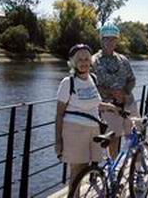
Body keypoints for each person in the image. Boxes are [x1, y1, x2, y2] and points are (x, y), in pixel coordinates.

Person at [55, 44, 120, 194]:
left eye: (86, 59)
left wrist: (111, 107)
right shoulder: (67, 83)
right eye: (79, 59)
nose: (84, 62)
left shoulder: (93, 79)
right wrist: (58, 140)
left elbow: (95, 104)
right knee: (77, 171)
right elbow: (59, 114)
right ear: (72, 62)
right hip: (75, 131)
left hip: (94, 130)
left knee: (88, 168)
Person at [92, 24, 139, 158]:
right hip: (109, 107)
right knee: (113, 138)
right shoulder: (94, 61)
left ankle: (136, 167)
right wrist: (112, 92)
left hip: (128, 103)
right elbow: (93, 86)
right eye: (107, 39)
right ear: (101, 40)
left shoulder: (123, 60)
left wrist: (124, 93)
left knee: (134, 135)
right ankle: (114, 172)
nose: (110, 42)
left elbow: (132, 80)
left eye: (113, 39)